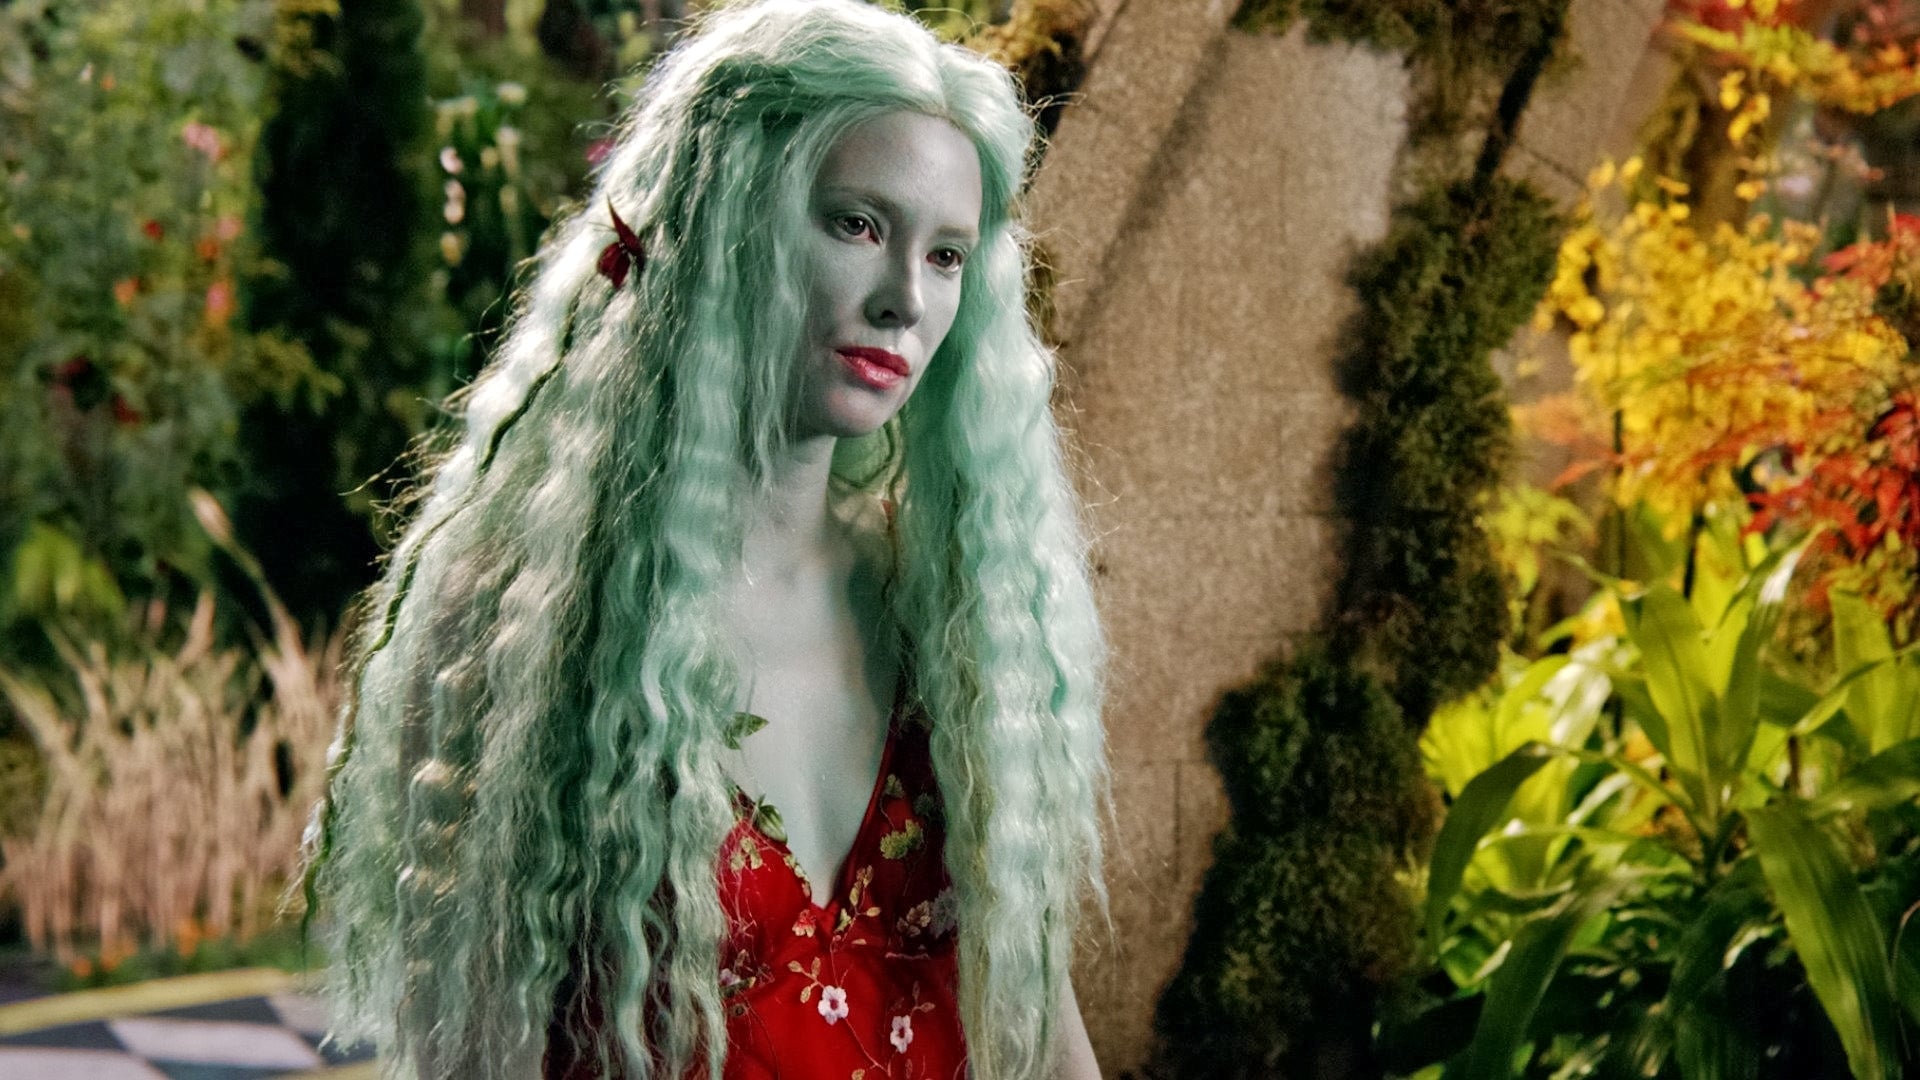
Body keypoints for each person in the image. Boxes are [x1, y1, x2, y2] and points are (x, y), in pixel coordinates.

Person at [302, 2, 1107, 1077]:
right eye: (857, 225)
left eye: (948, 254)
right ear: (726, 222)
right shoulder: (528, 628)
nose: (906, 300)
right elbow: (476, 1044)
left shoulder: (948, 602)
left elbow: (1038, 1019)